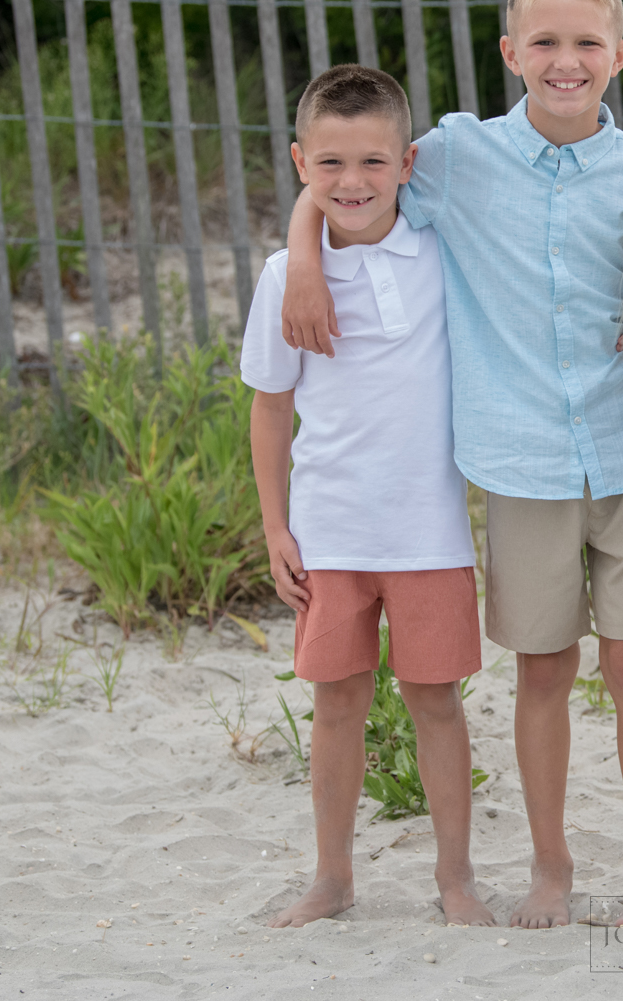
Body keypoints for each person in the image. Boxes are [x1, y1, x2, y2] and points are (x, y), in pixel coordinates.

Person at [278, 0, 623, 929]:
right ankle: (550, 866)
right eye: (543, 41)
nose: (564, 60)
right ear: (510, 52)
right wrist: (301, 251)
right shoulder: (458, 155)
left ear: (619, 54)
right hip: (521, 465)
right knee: (541, 668)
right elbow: (349, 172)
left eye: (586, 42)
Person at [243, 64, 489, 928]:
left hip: (430, 533)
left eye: (375, 163)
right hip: (330, 530)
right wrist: (275, 525)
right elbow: (270, 409)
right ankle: (333, 877)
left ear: (408, 163)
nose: (354, 183)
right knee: (337, 702)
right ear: (301, 161)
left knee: (437, 702)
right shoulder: (283, 276)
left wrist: (308, 227)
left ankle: (455, 878)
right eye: (332, 165)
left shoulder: (442, 250)